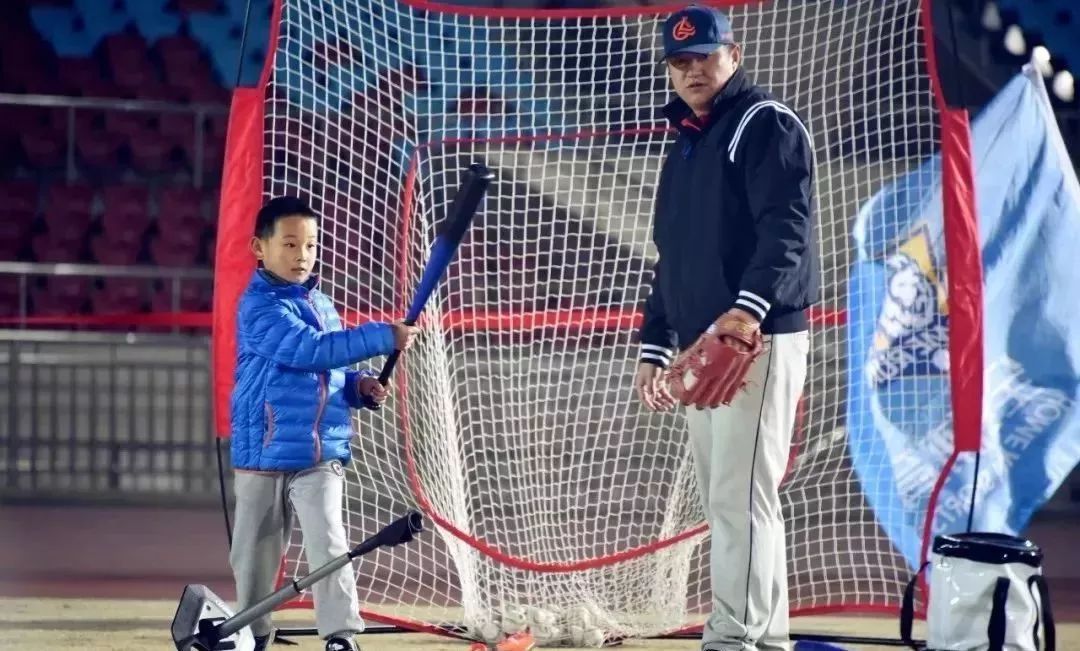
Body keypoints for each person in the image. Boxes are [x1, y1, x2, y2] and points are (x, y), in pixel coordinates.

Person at [633, 5, 818, 651]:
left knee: (739, 498)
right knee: (735, 500)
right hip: (703, 343)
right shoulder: (688, 141)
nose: (692, 71)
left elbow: (786, 231)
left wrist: (744, 314)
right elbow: (671, 252)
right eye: (679, 62)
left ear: (732, 56)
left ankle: (730, 639)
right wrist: (655, 347)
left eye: (704, 57)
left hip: (755, 338)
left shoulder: (764, 123)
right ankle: (763, 638)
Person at [228, 196, 420, 651]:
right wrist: (383, 335)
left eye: (311, 246)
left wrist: (357, 388)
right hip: (264, 453)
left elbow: (328, 369)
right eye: (290, 244)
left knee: (330, 543)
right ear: (259, 247)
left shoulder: (321, 302)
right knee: (254, 556)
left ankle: (339, 635)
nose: (302, 255)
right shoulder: (258, 307)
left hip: (320, 455)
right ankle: (254, 633)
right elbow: (311, 350)